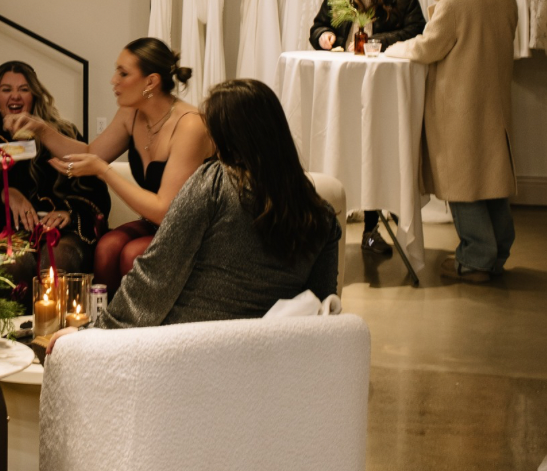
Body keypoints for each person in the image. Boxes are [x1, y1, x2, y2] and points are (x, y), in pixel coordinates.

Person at [46, 80, 341, 349]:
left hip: (189, 348)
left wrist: (98, 334)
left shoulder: (214, 182)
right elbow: (319, 308)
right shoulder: (322, 215)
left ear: (227, 137)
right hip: (264, 357)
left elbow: (157, 273)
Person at [5, 38, 212, 294]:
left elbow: (164, 210)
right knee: (107, 246)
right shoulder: (131, 113)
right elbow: (92, 153)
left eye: (123, 73)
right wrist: (41, 130)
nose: (113, 80)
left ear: (151, 82)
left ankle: (138, 329)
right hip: (159, 221)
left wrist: (104, 171)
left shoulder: (190, 125)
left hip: (195, 225)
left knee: (132, 254)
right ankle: (104, 326)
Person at [386, 0, 518, 283]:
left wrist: (393, 49)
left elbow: (428, 48)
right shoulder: (505, 0)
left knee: (462, 182)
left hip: (459, 106)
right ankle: (497, 252)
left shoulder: (454, 4)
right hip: (495, 103)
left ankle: (476, 259)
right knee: (493, 179)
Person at [0, 62, 111, 292]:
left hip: (62, 233)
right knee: (13, 263)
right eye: (6, 89)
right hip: (3, 233)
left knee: (58, 259)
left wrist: (70, 212)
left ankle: (59, 327)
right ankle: (19, 328)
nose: (15, 95)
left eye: (24, 89)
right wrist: (3, 195)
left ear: (34, 96)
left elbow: (97, 190)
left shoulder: (63, 134)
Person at [310, 0, 426, 255]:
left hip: (383, 87)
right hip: (344, 85)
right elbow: (318, 26)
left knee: (375, 151)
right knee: (342, 146)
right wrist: (324, 36)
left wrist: (376, 41)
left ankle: (372, 232)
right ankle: (326, 227)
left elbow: (418, 30)